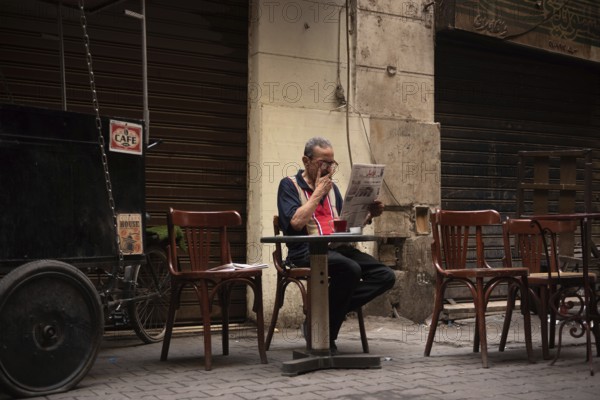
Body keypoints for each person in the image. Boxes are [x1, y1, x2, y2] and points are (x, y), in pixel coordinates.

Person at [277, 136, 396, 352]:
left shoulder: (334, 189)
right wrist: (317, 194)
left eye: (332, 164)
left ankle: (321, 317)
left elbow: (345, 224)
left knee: (385, 276)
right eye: (323, 163)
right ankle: (325, 335)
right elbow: (295, 223)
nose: (329, 168)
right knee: (350, 269)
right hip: (306, 252)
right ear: (306, 161)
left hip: (337, 248)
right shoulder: (289, 185)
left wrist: (369, 215)